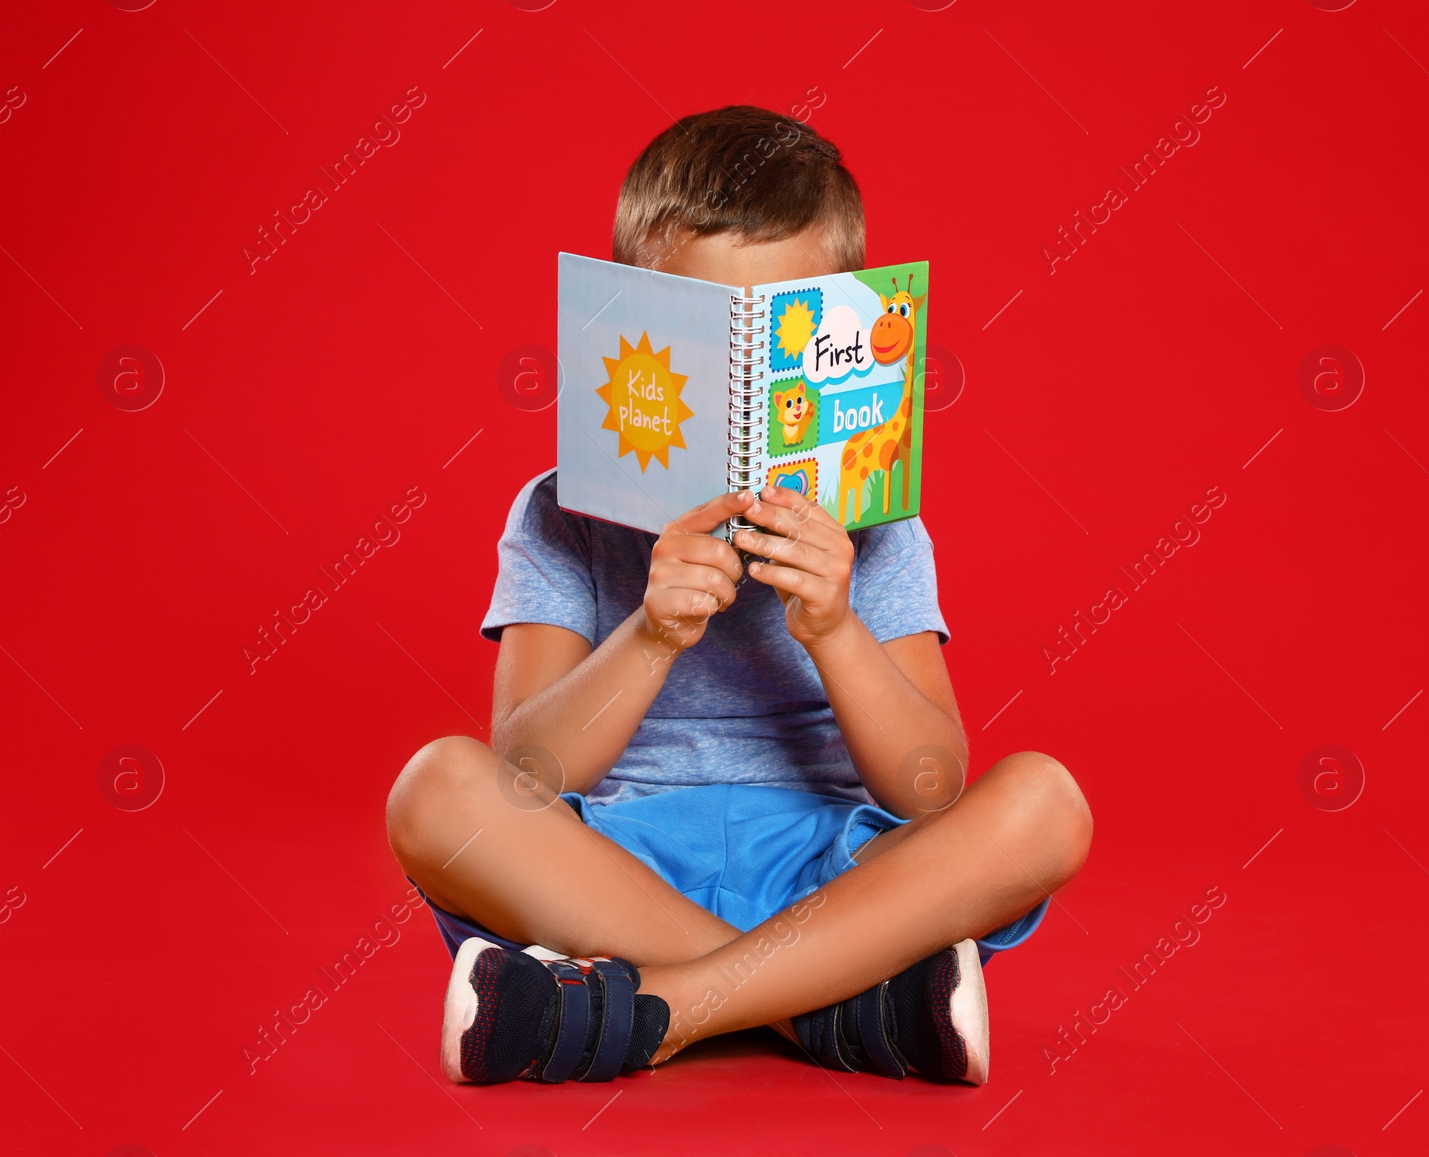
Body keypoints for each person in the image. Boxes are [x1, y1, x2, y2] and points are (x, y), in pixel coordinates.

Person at [385, 105, 1092, 1087]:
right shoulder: (562, 511)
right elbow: (526, 771)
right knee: (435, 788)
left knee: (1044, 805)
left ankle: (648, 1008)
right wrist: (650, 631)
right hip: (617, 868)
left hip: (832, 871)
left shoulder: (873, 520)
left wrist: (835, 626)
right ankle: (834, 1008)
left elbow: (927, 785)